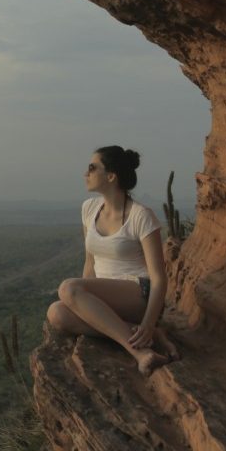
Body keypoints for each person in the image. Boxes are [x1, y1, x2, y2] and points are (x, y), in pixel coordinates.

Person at [46, 145, 180, 374]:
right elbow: (90, 263)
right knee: (57, 313)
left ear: (110, 176)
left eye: (92, 168)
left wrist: (149, 322)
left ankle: (140, 351)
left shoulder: (141, 216)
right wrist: (80, 302)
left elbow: (159, 278)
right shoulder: (89, 209)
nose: (85, 173)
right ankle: (145, 335)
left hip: (140, 294)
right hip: (107, 297)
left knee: (68, 288)